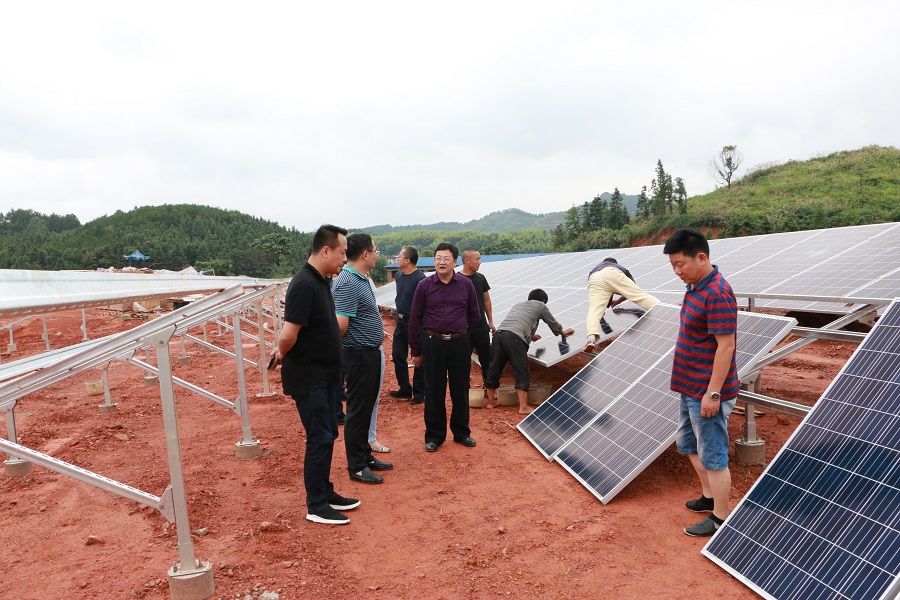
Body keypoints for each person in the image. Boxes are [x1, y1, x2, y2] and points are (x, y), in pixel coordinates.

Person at [273, 224, 359, 526]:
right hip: (310, 378)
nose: (344, 259)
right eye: (342, 253)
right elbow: (288, 335)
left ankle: (326, 491)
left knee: (328, 434)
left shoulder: (321, 281)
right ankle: (317, 504)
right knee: (320, 437)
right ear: (325, 250)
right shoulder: (304, 285)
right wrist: (281, 353)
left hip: (326, 375)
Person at [663, 228, 740, 537]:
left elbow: (726, 346)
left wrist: (713, 393)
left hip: (706, 391)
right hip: (688, 385)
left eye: (681, 264)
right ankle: (709, 497)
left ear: (702, 257)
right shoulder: (695, 285)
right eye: (672, 266)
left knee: (714, 455)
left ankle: (721, 517)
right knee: (689, 445)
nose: (677, 271)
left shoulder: (717, 292)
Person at [332, 233, 393, 485]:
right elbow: (340, 326)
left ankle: (365, 456)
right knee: (358, 411)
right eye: (376, 250)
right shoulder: (347, 282)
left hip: (367, 353)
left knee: (366, 408)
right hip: (358, 355)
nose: (377, 254)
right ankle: (356, 466)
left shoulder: (359, 279)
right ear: (365, 254)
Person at [408, 243, 480, 453]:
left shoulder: (466, 285)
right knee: (434, 390)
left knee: (460, 389)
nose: (441, 262)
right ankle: (434, 436)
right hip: (433, 343)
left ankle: (461, 432)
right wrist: (416, 350)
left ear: (455, 262)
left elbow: (475, 315)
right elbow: (415, 319)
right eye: (438, 258)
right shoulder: (424, 285)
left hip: (459, 343)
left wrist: (462, 330)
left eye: (446, 258)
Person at [484, 289, 574, 414]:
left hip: (499, 335)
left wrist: (531, 336)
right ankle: (523, 407)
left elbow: (515, 324)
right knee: (521, 370)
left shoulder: (519, 305)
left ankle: (490, 403)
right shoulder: (540, 305)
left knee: (494, 368)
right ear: (543, 300)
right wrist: (561, 332)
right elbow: (552, 322)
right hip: (514, 338)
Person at [584, 257, 659, 352]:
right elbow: (631, 292)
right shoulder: (617, 267)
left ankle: (591, 339)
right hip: (612, 273)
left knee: (594, 311)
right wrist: (619, 300)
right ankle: (665, 311)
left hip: (594, 278)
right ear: (615, 264)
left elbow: (602, 295)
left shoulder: (596, 268)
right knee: (640, 296)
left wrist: (612, 303)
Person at [388, 246, 427, 405]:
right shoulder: (398, 275)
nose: (397, 259)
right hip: (401, 321)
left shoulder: (420, 279)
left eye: (400, 256)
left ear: (408, 260)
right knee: (398, 355)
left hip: (415, 323)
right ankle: (405, 389)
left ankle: (419, 393)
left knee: (418, 358)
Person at [460, 248, 494, 382]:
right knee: (463, 361)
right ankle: (465, 389)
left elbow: (486, 299)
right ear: (467, 260)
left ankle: (489, 387)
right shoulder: (457, 280)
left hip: (481, 326)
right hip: (463, 328)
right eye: (477, 259)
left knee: (486, 359)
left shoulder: (480, 278)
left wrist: (490, 321)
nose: (480, 262)